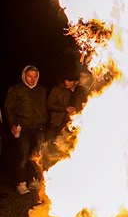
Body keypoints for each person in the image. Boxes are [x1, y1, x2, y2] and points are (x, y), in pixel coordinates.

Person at [3, 65, 48, 194]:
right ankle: (21, 183)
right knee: (22, 156)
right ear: (24, 76)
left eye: (35, 76)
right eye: (29, 76)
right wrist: (12, 124)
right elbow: (8, 108)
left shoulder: (41, 90)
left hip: (39, 127)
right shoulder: (16, 90)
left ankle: (34, 180)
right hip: (23, 127)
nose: (32, 79)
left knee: (37, 155)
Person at [46, 73, 88, 140]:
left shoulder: (82, 92)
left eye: (69, 81)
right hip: (57, 124)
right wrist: (65, 108)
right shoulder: (58, 90)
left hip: (74, 126)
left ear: (76, 82)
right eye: (66, 80)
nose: (66, 82)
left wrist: (76, 110)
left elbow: (86, 106)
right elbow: (49, 104)